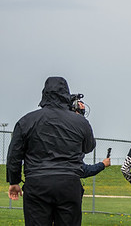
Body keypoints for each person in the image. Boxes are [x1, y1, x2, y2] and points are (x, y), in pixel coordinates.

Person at [6, 77, 96, 226]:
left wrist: (14, 181)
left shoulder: (26, 121)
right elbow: (88, 147)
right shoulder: (80, 122)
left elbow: (14, 155)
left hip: (37, 182)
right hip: (68, 182)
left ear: (44, 94)